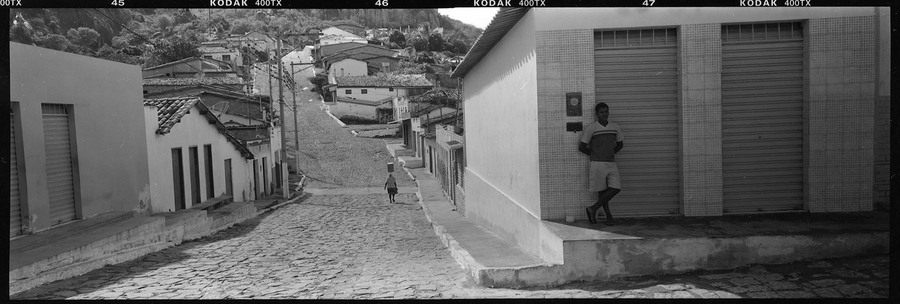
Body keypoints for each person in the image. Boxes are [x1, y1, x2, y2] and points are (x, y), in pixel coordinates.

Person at [579, 102, 624, 226]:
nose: (604, 114)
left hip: (611, 163)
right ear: (597, 114)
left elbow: (620, 144)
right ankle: (608, 216)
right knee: (602, 191)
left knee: (615, 188)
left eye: (606, 112)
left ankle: (593, 208)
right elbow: (582, 147)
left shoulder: (615, 127)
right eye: (601, 112)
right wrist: (595, 154)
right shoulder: (592, 128)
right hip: (597, 164)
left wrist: (610, 153)